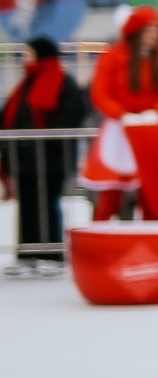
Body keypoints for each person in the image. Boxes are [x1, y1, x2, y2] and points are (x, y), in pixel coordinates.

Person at [81, 6, 158, 220]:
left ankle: (151, 239)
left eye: (156, 30)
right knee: (111, 191)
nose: (155, 35)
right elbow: (100, 93)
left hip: (150, 130)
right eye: (150, 30)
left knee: (151, 191)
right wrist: (122, 115)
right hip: (119, 131)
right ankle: (102, 240)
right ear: (137, 31)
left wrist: (156, 113)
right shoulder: (113, 56)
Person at [2, 35, 88, 274]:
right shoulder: (27, 82)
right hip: (25, 159)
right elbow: (12, 114)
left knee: (48, 203)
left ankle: (51, 253)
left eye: (28, 54)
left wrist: (48, 139)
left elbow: (72, 114)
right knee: (27, 205)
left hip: (51, 159)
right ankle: (28, 254)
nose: (25, 59)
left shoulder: (61, 81)